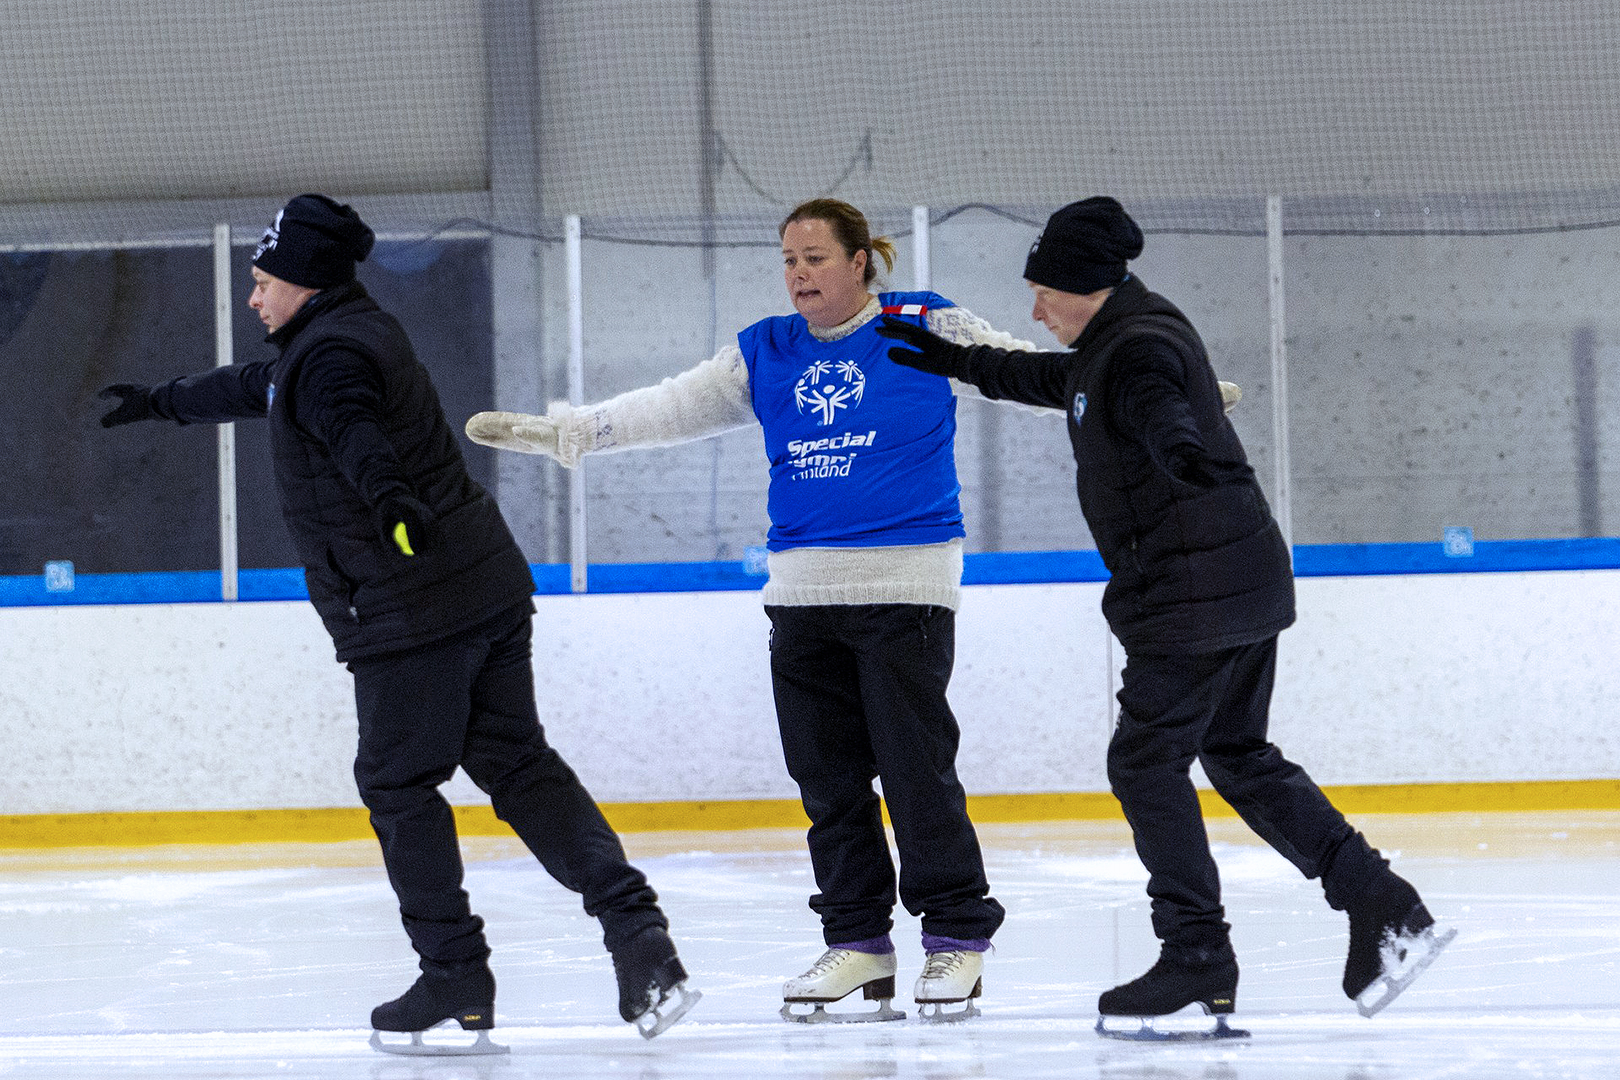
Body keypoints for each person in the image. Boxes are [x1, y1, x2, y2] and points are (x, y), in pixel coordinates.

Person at [96, 194, 698, 1051]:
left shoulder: (331, 360)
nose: (255, 296)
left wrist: (390, 502)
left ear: (304, 283)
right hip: (479, 588)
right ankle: (639, 937)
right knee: (517, 765)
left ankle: (454, 970)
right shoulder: (335, 339)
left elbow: (356, 435)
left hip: (411, 606)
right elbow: (251, 386)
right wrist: (161, 401)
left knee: (397, 783)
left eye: (265, 282)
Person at [876, 196, 1454, 1037]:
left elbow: (1158, 410)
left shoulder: (1139, 351)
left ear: (1085, 286)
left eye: (1044, 291)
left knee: (1145, 765)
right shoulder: (1115, 339)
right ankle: (1384, 904)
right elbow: (1047, 379)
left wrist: (1179, 445)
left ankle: (1196, 953)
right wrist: (954, 360)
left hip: (1194, 596)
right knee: (1237, 754)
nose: (1035, 309)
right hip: (1239, 583)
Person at [465, 198, 1040, 1023]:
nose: (798, 274)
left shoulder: (920, 324)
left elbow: (1021, 371)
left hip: (902, 588)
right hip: (800, 596)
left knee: (917, 777)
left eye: (814, 258)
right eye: (788, 260)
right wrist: (578, 433)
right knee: (829, 785)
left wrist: (1141, 385)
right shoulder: (767, 349)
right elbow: (673, 405)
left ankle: (955, 941)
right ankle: (860, 947)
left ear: (858, 264)